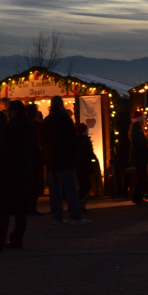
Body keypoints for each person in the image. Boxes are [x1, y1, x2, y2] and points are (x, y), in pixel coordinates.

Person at [0, 100, 35, 252]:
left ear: (15, 111)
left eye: (9, 111)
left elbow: (5, 152)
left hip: (9, 174)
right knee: (20, 210)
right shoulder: (30, 125)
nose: (8, 114)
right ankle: (17, 239)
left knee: (1, 210)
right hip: (24, 172)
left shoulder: (11, 128)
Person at [40, 96, 90, 225]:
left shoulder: (46, 121)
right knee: (71, 189)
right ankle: (75, 216)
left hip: (51, 160)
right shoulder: (65, 119)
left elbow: (41, 140)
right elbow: (72, 140)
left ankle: (56, 217)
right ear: (61, 105)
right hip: (65, 160)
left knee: (54, 190)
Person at [24, 103, 44, 215]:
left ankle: (28, 206)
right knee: (36, 180)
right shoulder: (37, 124)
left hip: (26, 156)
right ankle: (32, 207)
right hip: (35, 155)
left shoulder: (22, 124)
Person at [128, 112, 148, 205]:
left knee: (139, 178)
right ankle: (139, 198)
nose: (144, 121)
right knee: (141, 178)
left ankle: (137, 197)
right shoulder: (138, 132)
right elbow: (140, 146)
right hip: (140, 159)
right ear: (140, 120)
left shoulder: (136, 131)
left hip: (137, 159)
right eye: (143, 119)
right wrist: (147, 150)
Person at [75, 123, 97, 212]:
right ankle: (80, 201)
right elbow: (89, 153)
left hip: (79, 166)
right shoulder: (86, 141)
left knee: (83, 184)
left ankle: (79, 202)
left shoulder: (76, 141)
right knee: (86, 184)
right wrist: (94, 159)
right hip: (85, 166)